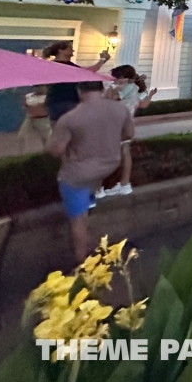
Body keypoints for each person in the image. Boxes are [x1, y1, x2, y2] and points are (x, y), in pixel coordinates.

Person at [47, 81, 134, 259]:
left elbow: (55, 150)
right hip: (109, 166)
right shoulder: (120, 109)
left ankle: (83, 265)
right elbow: (129, 134)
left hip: (78, 175)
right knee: (86, 203)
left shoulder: (70, 118)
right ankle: (90, 204)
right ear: (102, 90)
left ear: (79, 91)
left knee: (78, 221)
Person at [99, 65, 156, 197]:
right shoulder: (135, 88)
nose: (113, 80)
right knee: (125, 151)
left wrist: (112, 88)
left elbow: (109, 100)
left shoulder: (126, 87)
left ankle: (99, 188)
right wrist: (151, 95)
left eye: (115, 77)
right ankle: (124, 184)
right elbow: (143, 104)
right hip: (128, 122)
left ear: (123, 77)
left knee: (104, 154)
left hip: (116, 123)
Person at [43, 41, 111, 122]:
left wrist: (102, 60)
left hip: (54, 102)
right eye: (70, 48)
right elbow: (86, 72)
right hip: (65, 101)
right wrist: (102, 60)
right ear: (60, 50)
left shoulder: (54, 65)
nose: (73, 50)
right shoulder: (61, 66)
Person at [17, 85, 51, 154]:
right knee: (21, 136)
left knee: (46, 138)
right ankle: (21, 154)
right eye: (36, 87)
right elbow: (24, 105)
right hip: (30, 119)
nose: (39, 88)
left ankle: (48, 154)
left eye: (41, 86)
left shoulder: (48, 97)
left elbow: (47, 106)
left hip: (43, 119)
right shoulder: (29, 96)